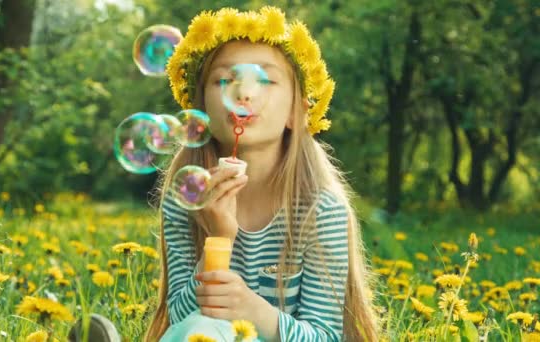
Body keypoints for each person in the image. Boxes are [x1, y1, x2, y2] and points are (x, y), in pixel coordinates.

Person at [143, 6, 379, 342]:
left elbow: (326, 336)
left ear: (297, 112)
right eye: (226, 80)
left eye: (265, 80)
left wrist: (252, 311)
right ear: (200, 108)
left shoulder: (319, 209)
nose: (244, 93)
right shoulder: (187, 199)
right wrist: (219, 242)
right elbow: (180, 321)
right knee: (201, 330)